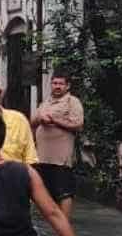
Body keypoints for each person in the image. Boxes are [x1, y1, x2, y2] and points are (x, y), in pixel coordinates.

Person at [31, 69, 84, 217]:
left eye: (61, 83)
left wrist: (55, 120)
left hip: (61, 157)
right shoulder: (45, 102)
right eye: (54, 83)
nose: (57, 86)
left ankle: (64, 221)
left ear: (67, 86)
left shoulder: (72, 102)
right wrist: (41, 118)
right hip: (43, 156)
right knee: (44, 190)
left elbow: (78, 124)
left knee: (64, 190)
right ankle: (51, 221)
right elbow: (32, 121)